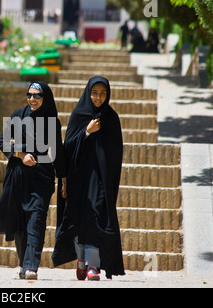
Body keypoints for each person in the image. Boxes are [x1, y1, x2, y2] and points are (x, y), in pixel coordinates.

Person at [0, 81, 66, 280]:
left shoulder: (52, 121)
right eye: (29, 95)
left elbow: (57, 153)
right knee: (21, 222)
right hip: (18, 175)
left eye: (37, 95)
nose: (32, 99)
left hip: (42, 176)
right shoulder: (17, 116)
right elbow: (3, 142)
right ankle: (24, 264)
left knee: (37, 220)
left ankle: (32, 266)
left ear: (45, 98)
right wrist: (20, 154)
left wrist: (64, 178)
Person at [52, 76, 125, 281]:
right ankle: (82, 260)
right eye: (94, 93)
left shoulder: (111, 118)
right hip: (79, 177)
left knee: (95, 215)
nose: (98, 98)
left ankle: (93, 265)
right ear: (88, 93)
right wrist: (87, 131)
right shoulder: (79, 114)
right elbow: (68, 147)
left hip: (100, 179)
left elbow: (115, 152)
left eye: (102, 94)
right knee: (79, 218)